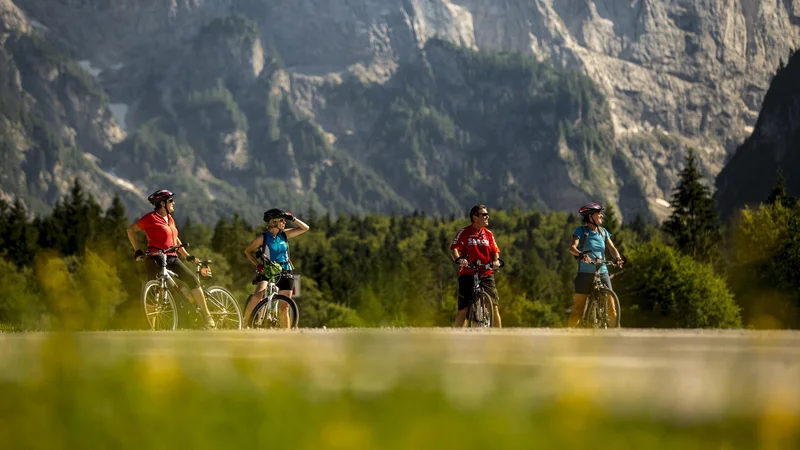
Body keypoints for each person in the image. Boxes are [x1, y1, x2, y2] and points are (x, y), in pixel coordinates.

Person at [126, 189, 215, 329]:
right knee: (153, 292)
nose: (174, 203)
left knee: (191, 279)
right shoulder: (150, 218)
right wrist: (137, 250)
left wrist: (187, 255)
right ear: (162, 203)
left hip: (172, 257)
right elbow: (130, 230)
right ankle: (152, 327)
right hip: (155, 258)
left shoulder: (170, 219)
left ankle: (207, 317)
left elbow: (174, 239)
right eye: (171, 201)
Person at [243, 208, 310, 328]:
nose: (284, 223)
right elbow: (248, 251)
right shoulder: (263, 238)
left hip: (286, 270)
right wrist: (258, 265)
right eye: (282, 220)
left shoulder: (284, 235)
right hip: (269, 270)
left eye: (285, 221)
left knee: (284, 307)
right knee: (258, 294)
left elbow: (305, 228)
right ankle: (244, 323)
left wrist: (293, 218)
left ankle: (288, 336)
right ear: (273, 222)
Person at [567, 202, 624, 328]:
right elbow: (572, 248)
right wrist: (581, 255)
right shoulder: (581, 231)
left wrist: (618, 258)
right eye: (599, 213)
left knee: (612, 308)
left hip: (602, 271)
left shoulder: (603, 232)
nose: (601, 216)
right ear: (591, 216)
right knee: (578, 308)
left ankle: (619, 336)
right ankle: (569, 335)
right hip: (585, 273)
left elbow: (612, 248)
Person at [449, 204, 502, 328]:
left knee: (494, 307)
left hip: (486, 272)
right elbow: (454, 248)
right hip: (468, 273)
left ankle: (499, 338)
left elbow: (495, 252)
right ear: (475, 217)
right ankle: (458, 338)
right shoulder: (465, 232)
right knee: (463, 310)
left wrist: (495, 262)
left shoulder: (488, 234)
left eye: (487, 214)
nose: (487, 216)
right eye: (484, 214)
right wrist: (459, 259)